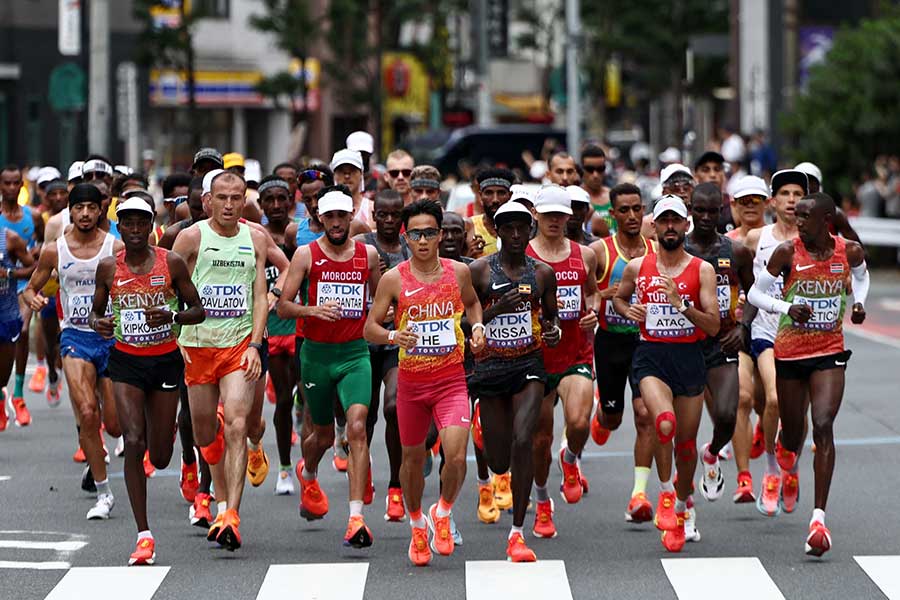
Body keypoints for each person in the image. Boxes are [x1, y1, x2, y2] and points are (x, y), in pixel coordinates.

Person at [747, 192, 868, 557]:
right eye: (796, 215)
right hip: (790, 352)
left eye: (806, 216)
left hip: (829, 349)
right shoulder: (786, 252)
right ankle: (786, 444)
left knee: (824, 424)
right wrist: (786, 306)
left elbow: (862, 279)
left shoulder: (848, 251)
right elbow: (755, 295)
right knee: (794, 433)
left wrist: (859, 302)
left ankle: (818, 518)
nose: (798, 222)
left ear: (826, 219)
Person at [365, 199, 484, 566]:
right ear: (406, 236)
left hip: (450, 379)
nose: (423, 240)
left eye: (430, 233)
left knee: (456, 455)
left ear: (439, 235)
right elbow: (369, 326)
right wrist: (391, 338)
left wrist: (477, 326)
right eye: (415, 233)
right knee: (412, 461)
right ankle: (417, 523)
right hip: (412, 384)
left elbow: (474, 303)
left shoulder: (457, 272)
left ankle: (443, 513)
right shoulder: (394, 278)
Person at [90, 196, 204, 565]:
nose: (136, 230)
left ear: (152, 224)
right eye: (128, 224)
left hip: (165, 362)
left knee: (160, 454)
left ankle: (166, 430)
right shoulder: (108, 267)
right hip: (125, 362)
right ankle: (143, 534)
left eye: (142, 223)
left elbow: (197, 311)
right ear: (119, 227)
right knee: (133, 441)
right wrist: (99, 323)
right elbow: (96, 314)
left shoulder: (169, 262)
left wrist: (171, 317)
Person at [613, 195, 720, 552]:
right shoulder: (637, 267)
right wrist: (628, 311)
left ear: (685, 225)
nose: (670, 226)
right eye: (664, 221)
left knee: (686, 447)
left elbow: (714, 325)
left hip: (689, 357)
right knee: (663, 423)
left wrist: (681, 305)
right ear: (653, 226)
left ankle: (685, 505)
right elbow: (618, 299)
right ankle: (666, 494)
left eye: (676, 220)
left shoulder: (702, 270)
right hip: (651, 357)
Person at [276, 188, 381, 549]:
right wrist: (311, 311)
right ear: (320, 218)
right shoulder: (306, 254)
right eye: (329, 217)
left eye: (342, 216)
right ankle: (309, 472)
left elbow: (380, 303)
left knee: (356, 426)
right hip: (317, 357)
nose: (336, 223)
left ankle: (355, 519)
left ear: (351, 215)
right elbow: (283, 308)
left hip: (355, 355)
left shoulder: (368, 256)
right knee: (321, 435)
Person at [172, 170, 269, 551]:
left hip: (237, 346)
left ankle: (230, 514)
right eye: (222, 198)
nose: (229, 205)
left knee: (237, 424)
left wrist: (255, 345)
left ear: (244, 200)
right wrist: (174, 333)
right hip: (197, 347)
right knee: (205, 435)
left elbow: (260, 295)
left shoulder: (255, 238)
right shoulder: (192, 237)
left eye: (236, 197)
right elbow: (168, 282)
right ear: (208, 200)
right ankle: (221, 495)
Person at [23, 183, 124, 518]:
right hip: (75, 339)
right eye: (78, 208)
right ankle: (103, 493)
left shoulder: (115, 248)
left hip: (110, 340)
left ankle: (101, 451)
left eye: (91, 208)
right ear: (71, 210)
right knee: (87, 413)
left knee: (114, 425)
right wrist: (33, 299)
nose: (84, 214)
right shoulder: (55, 250)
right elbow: (31, 288)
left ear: (100, 210)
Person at [468, 201, 560, 561]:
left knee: (526, 439)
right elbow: (461, 324)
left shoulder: (542, 274)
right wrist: (495, 310)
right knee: (498, 458)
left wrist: (551, 334)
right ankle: (483, 431)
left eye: (524, 228)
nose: (518, 235)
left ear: (531, 231)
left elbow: (551, 321)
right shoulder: (477, 272)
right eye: (510, 228)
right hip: (490, 368)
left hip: (529, 364)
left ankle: (518, 532)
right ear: (498, 231)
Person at [526, 185, 598, 536]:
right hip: (535, 358)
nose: (555, 220)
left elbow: (594, 294)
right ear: (535, 216)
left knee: (579, 423)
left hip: (575, 353)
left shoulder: (585, 255)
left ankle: (569, 459)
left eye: (561, 214)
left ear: (569, 217)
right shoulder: (522, 255)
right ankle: (541, 502)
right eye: (548, 214)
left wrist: (594, 313)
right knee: (540, 438)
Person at [588, 183, 660, 524]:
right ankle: (600, 416)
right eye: (625, 210)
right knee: (613, 419)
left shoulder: (656, 249)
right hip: (611, 342)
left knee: (645, 415)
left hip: (645, 343)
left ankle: (639, 494)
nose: (632, 216)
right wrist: (605, 294)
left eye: (637, 209)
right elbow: (584, 294)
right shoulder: (600, 251)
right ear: (612, 214)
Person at [683, 184, 754, 515]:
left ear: (722, 210)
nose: (707, 217)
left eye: (714, 211)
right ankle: (682, 501)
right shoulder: (677, 249)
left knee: (728, 414)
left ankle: (711, 452)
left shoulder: (736, 252)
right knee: (682, 427)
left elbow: (754, 295)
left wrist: (743, 327)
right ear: (691, 210)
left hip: (722, 342)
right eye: (700, 210)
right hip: (681, 344)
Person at [742, 169, 807, 517]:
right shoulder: (757, 237)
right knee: (774, 399)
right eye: (785, 193)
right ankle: (770, 468)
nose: (792, 200)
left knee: (800, 414)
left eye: (798, 193)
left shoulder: (815, 240)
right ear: (773, 201)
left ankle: (791, 465)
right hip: (767, 330)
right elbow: (737, 272)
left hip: (807, 337)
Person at [354, 189, 410, 521]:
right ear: (374, 217)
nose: (389, 220)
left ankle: (395, 487)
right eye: (383, 215)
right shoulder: (363, 247)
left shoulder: (410, 250)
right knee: (365, 416)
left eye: (395, 215)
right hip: (363, 339)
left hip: (395, 342)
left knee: (393, 406)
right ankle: (364, 473)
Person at [258, 176, 300, 495]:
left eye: (281, 199)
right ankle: (285, 469)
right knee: (283, 399)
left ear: (291, 201)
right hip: (271, 330)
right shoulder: (254, 237)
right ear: (260, 205)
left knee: (311, 400)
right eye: (268, 199)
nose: (275, 205)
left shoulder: (300, 233)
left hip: (301, 327)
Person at [0, 164, 44, 426]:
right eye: (6, 183)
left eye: (16, 183)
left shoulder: (33, 217)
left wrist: (37, 253)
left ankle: (18, 395)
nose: (12, 188)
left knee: (23, 331)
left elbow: (39, 245)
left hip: (21, 285)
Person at [0, 217, 36, 431]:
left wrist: (9, 273)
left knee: (3, 376)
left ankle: (3, 395)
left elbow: (33, 267)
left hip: (6, 315)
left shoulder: (9, 239)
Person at [465, 168, 514, 259]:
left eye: (501, 193)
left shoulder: (520, 228)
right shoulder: (469, 226)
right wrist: (469, 256)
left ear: (510, 196)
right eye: (489, 193)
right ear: (480, 195)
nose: (495, 199)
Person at [580, 144, 612, 237]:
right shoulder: (576, 199)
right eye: (590, 169)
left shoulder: (613, 197)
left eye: (600, 169)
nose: (595, 175)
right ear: (582, 169)